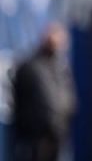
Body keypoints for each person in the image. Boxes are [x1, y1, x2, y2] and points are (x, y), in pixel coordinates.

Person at [11, 23, 76, 161]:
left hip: (58, 137)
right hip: (35, 140)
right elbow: (42, 105)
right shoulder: (30, 67)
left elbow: (68, 100)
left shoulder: (60, 69)